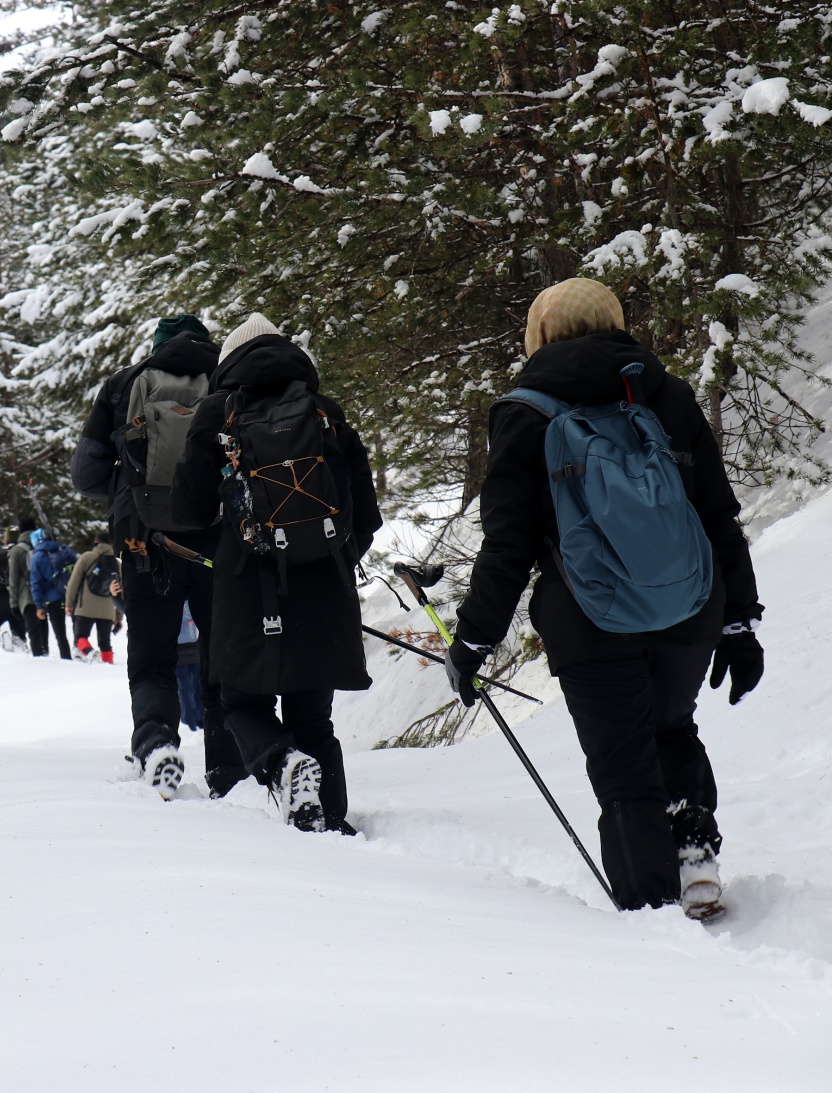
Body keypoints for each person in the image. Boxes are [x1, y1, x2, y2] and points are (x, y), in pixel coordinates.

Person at [447, 277, 763, 919]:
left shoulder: (524, 411)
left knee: (623, 767)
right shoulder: (664, 391)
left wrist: (474, 639)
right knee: (672, 726)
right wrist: (738, 621)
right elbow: (716, 515)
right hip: (688, 603)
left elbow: (506, 546)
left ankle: (651, 920)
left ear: (541, 333)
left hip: (588, 616)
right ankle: (693, 850)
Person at [170, 313, 383, 832]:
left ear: (229, 365)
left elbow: (188, 512)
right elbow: (367, 514)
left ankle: (282, 765)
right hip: (323, 586)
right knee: (313, 716)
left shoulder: (217, 414)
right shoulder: (324, 412)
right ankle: (330, 825)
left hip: (248, 583)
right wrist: (332, 559)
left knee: (238, 698)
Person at [72, 314, 246, 799]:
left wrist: (131, 486)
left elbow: (85, 477)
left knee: (152, 659)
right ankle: (229, 772)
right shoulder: (231, 379)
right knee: (221, 658)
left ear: (156, 347)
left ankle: (155, 744)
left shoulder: (123, 385)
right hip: (219, 543)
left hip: (144, 542)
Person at [66, 532, 123, 664]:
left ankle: (91, 654)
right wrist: (118, 616)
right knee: (105, 643)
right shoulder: (117, 563)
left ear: (96, 541)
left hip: (86, 607)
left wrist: (69, 604)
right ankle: (108, 664)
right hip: (107, 609)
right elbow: (122, 591)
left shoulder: (87, 557)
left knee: (80, 637)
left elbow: (74, 582)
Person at [29, 527, 78, 659]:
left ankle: (66, 658)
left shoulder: (37, 556)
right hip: (70, 595)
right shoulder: (66, 550)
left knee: (60, 634)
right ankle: (81, 652)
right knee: (77, 629)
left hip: (52, 598)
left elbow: (35, 582)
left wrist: (39, 605)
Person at [6, 517, 42, 656]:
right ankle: (49, 657)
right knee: (44, 628)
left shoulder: (16, 551)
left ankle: (39, 659)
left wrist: (14, 603)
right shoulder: (41, 545)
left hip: (26, 596)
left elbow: (13, 579)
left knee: (33, 632)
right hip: (44, 593)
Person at [175, 602, 202, 731]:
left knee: (184, 686)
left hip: (177, 649)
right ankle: (200, 718)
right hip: (196, 646)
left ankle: (188, 720)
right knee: (198, 684)